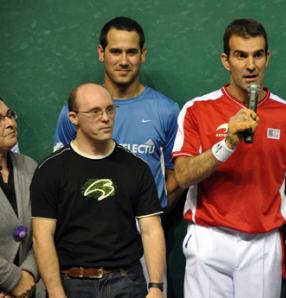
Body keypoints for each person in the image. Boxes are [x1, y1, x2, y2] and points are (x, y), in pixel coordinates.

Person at [172, 18, 286, 298]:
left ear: (267, 58)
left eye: (257, 55)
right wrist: (228, 143)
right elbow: (183, 175)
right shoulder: (197, 110)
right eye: (241, 55)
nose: (250, 65)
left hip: (263, 244)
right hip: (209, 239)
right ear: (226, 61)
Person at [31, 83, 165, 298]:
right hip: (72, 284)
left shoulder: (136, 167)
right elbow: (42, 236)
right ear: (73, 118)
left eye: (110, 109)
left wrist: (156, 286)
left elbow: (151, 229)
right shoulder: (50, 169)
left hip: (127, 282)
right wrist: (55, 292)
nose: (105, 118)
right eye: (95, 111)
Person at [53, 16, 180, 211]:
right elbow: (60, 173)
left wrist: (150, 215)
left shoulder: (166, 110)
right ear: (101, 53)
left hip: (143, 234)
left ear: (143, 54)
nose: (123, 61)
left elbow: (175, 178)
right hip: (87, 229)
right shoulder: (74, 111)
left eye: (131, 52)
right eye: (115, 52)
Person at [0, 97, 38, 298]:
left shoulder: (29, 166)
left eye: (9, 115)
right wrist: (12, 281)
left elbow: (44, 231)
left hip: (29, 289)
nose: (10, 123)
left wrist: (28, 275)